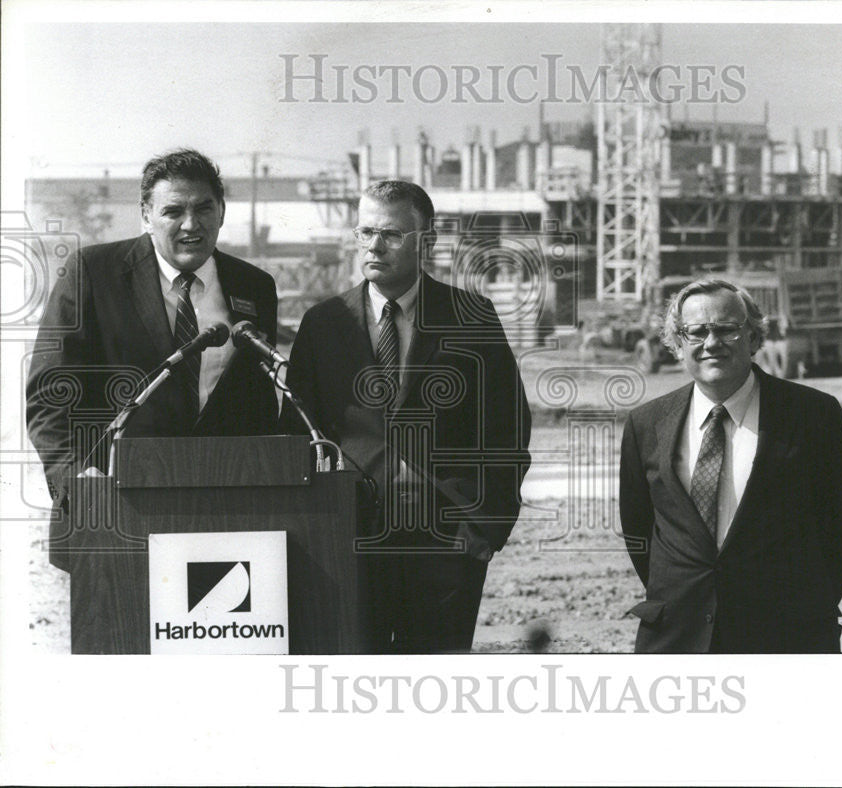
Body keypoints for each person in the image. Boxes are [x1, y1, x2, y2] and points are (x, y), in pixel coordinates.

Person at [282, 180, 531, 653]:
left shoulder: (470, 316)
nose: (374, 245)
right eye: (365, 232)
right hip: (348, 541)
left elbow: (507, 427)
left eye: (392, 234)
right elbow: (297, 432)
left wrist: (484, 528)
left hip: (446, 544)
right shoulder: (324, 323)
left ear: (428, 242)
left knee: (435, 683)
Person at [26, 149, 279, 568]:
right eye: (173, 211)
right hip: (113, 511)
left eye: (203, 208)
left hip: (226, 517)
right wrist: (74, 480)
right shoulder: (93, 272)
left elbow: (256, 405)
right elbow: (50, 394)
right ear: (146, 216)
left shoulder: (254, 286)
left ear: (221, 211)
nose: (190, 224)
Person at [619, 279, 842, 653]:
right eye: (697, 332)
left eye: (727, 330)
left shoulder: (813, 415)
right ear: (678, 343)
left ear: (752, 338)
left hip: (786, 637)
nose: (711, 343)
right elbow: (639, 530)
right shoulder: (646, 424)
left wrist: (809, 607)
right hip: (677, 639)